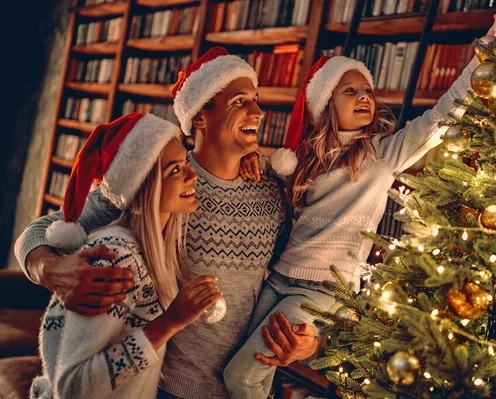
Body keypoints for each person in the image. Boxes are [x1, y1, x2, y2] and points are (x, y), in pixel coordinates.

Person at [225, 12, 496, 398]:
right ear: (325, 104)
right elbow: (265, 197)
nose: (364, 96)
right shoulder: (305, 160)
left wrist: (491, 48)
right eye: (349, 91)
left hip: (321, 292)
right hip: (278, 279)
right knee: (256, 377)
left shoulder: (380, 155)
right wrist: (247, 158)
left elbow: (441, 116)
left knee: (241, 377)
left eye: (367, 90)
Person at [15, 48, 317, 398]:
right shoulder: (161, 183)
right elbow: (38, 232)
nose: (258, 113)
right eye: (240, 102)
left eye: (256, 100)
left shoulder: (271, 188)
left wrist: (309, 342)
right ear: (200, 116)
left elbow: (297, 278)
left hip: (245, 388)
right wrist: (52, 269)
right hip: (162, 386)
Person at [29, 113, 223, 398]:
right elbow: (72, 387)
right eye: (174, 170)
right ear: (144, 187)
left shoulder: (153, 250)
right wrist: (169, 323)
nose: (192, 175)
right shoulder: (116, 258)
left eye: (185, 164)